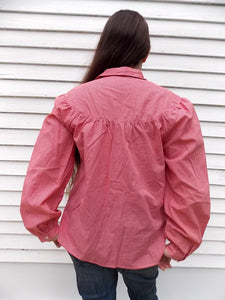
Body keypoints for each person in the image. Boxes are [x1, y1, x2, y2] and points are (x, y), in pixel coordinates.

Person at [20, 9, 210, 300]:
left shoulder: (71, 104)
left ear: (105, 49)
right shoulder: (174, 110)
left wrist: (48, 226)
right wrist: (179, 242)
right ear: (145, 54)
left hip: (86, 237)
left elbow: (44, 171)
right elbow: (190, 185)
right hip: (145, 240)